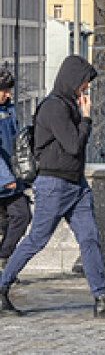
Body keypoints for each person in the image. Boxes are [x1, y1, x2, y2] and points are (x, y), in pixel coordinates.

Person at [0, 56, 105, 318]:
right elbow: (73, 146)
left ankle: (101, 299)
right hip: (54, 184)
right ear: (71, 80)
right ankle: (1, 288)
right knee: (36, 240)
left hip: (76, 184)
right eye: (83, 84)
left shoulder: (67, 105)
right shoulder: (53, 108)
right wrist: (85, 119)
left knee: (89, 238)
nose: (85, 89)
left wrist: (83, 117)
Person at [0, 70, 31, 271]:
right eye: (4, 91)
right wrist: (5, 178)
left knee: (22, 215)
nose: (8, 95)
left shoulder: (8, 109)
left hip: (11, 178)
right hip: (5, 179)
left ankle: (3, 257)